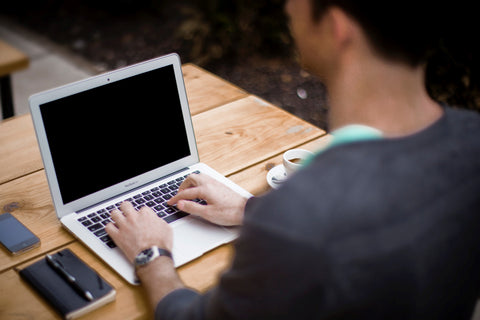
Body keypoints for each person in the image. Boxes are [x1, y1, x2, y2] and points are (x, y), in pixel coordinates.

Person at [105, 0, 480, 319]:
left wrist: (151, 254)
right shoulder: (472, 139)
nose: (286, 6)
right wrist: (249, 209)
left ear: (338, 26)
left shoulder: (300, 218)